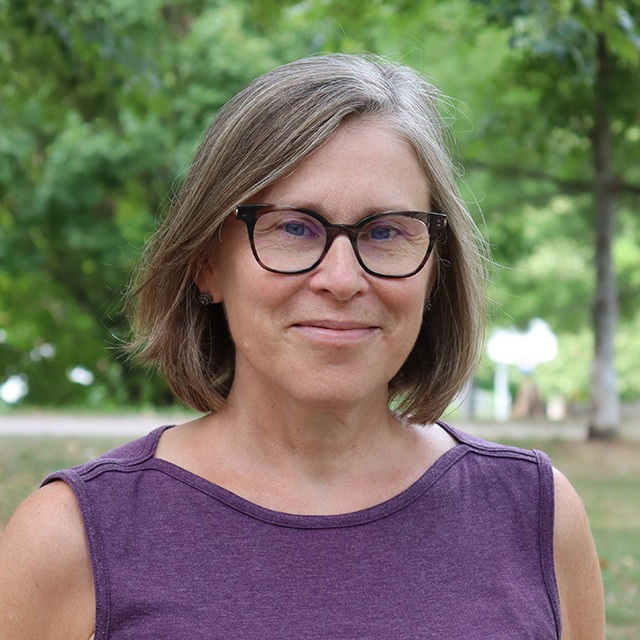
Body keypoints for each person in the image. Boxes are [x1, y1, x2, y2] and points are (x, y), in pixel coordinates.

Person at [0, 54, 604, 639]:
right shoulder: (72, 540)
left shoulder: (537, 517)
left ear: (435, 268)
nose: (342, 280)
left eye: (386, 231)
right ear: (207, 263)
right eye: (294, 227)